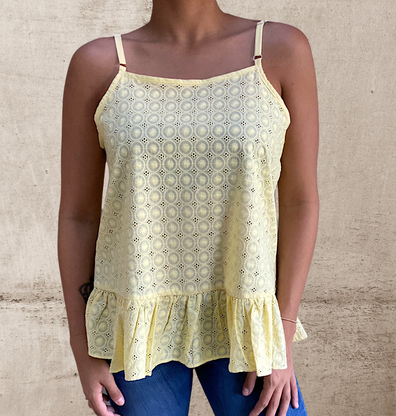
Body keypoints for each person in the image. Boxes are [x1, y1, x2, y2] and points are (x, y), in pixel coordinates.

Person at [58, 0, 319, 415]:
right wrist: (82, 347)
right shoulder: (98, 65)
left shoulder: (281, 50)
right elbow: (79, 216)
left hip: (245, 314)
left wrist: (282, 334)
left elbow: (299, 199)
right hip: (136, 323)